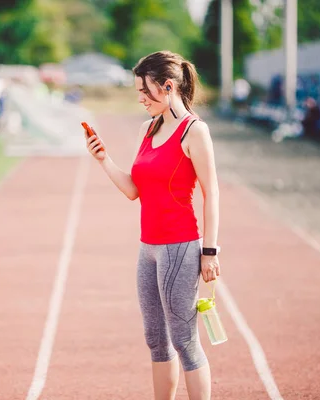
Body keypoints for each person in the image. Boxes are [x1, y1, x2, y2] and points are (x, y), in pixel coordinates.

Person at [85, 51, 220, 400]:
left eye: (145, 92)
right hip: (148, 249)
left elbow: (212, 194)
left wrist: (210, 252)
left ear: (168, 86)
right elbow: (134, 190)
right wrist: (103, 159)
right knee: (156, 340)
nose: (140, 99)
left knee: (184, 340)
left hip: (181, 247)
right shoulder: (148, 129)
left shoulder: (195, 132)